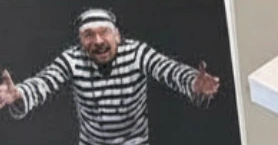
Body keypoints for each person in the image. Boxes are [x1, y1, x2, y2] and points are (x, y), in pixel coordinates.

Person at [0, 8, 221, 145]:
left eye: (104, 32)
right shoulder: (73, 59)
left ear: (117, 36)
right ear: (80, 42)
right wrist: (19, 94)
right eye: (88, 35)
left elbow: (167, 69)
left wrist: (193, 82)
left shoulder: (137, 53)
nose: (97, 41)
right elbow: (45, 81)